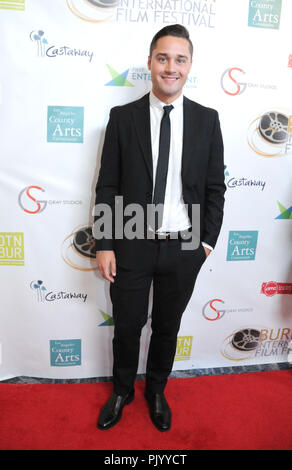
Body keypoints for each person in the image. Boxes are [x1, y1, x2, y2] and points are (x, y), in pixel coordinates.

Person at [93, 24, 225, 432]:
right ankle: (121, 391)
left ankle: (156, 391)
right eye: (163, 58)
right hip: (130, 241)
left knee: (168, 326)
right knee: (128, 324)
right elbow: (107, 184)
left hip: (184, 247)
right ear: (150, 62)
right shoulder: (123, 117)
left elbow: (215, 187)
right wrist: (104, 242)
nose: (171, 67)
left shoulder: (207, 120)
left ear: (189, 66)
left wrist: (204, 243)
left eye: (179, 60)